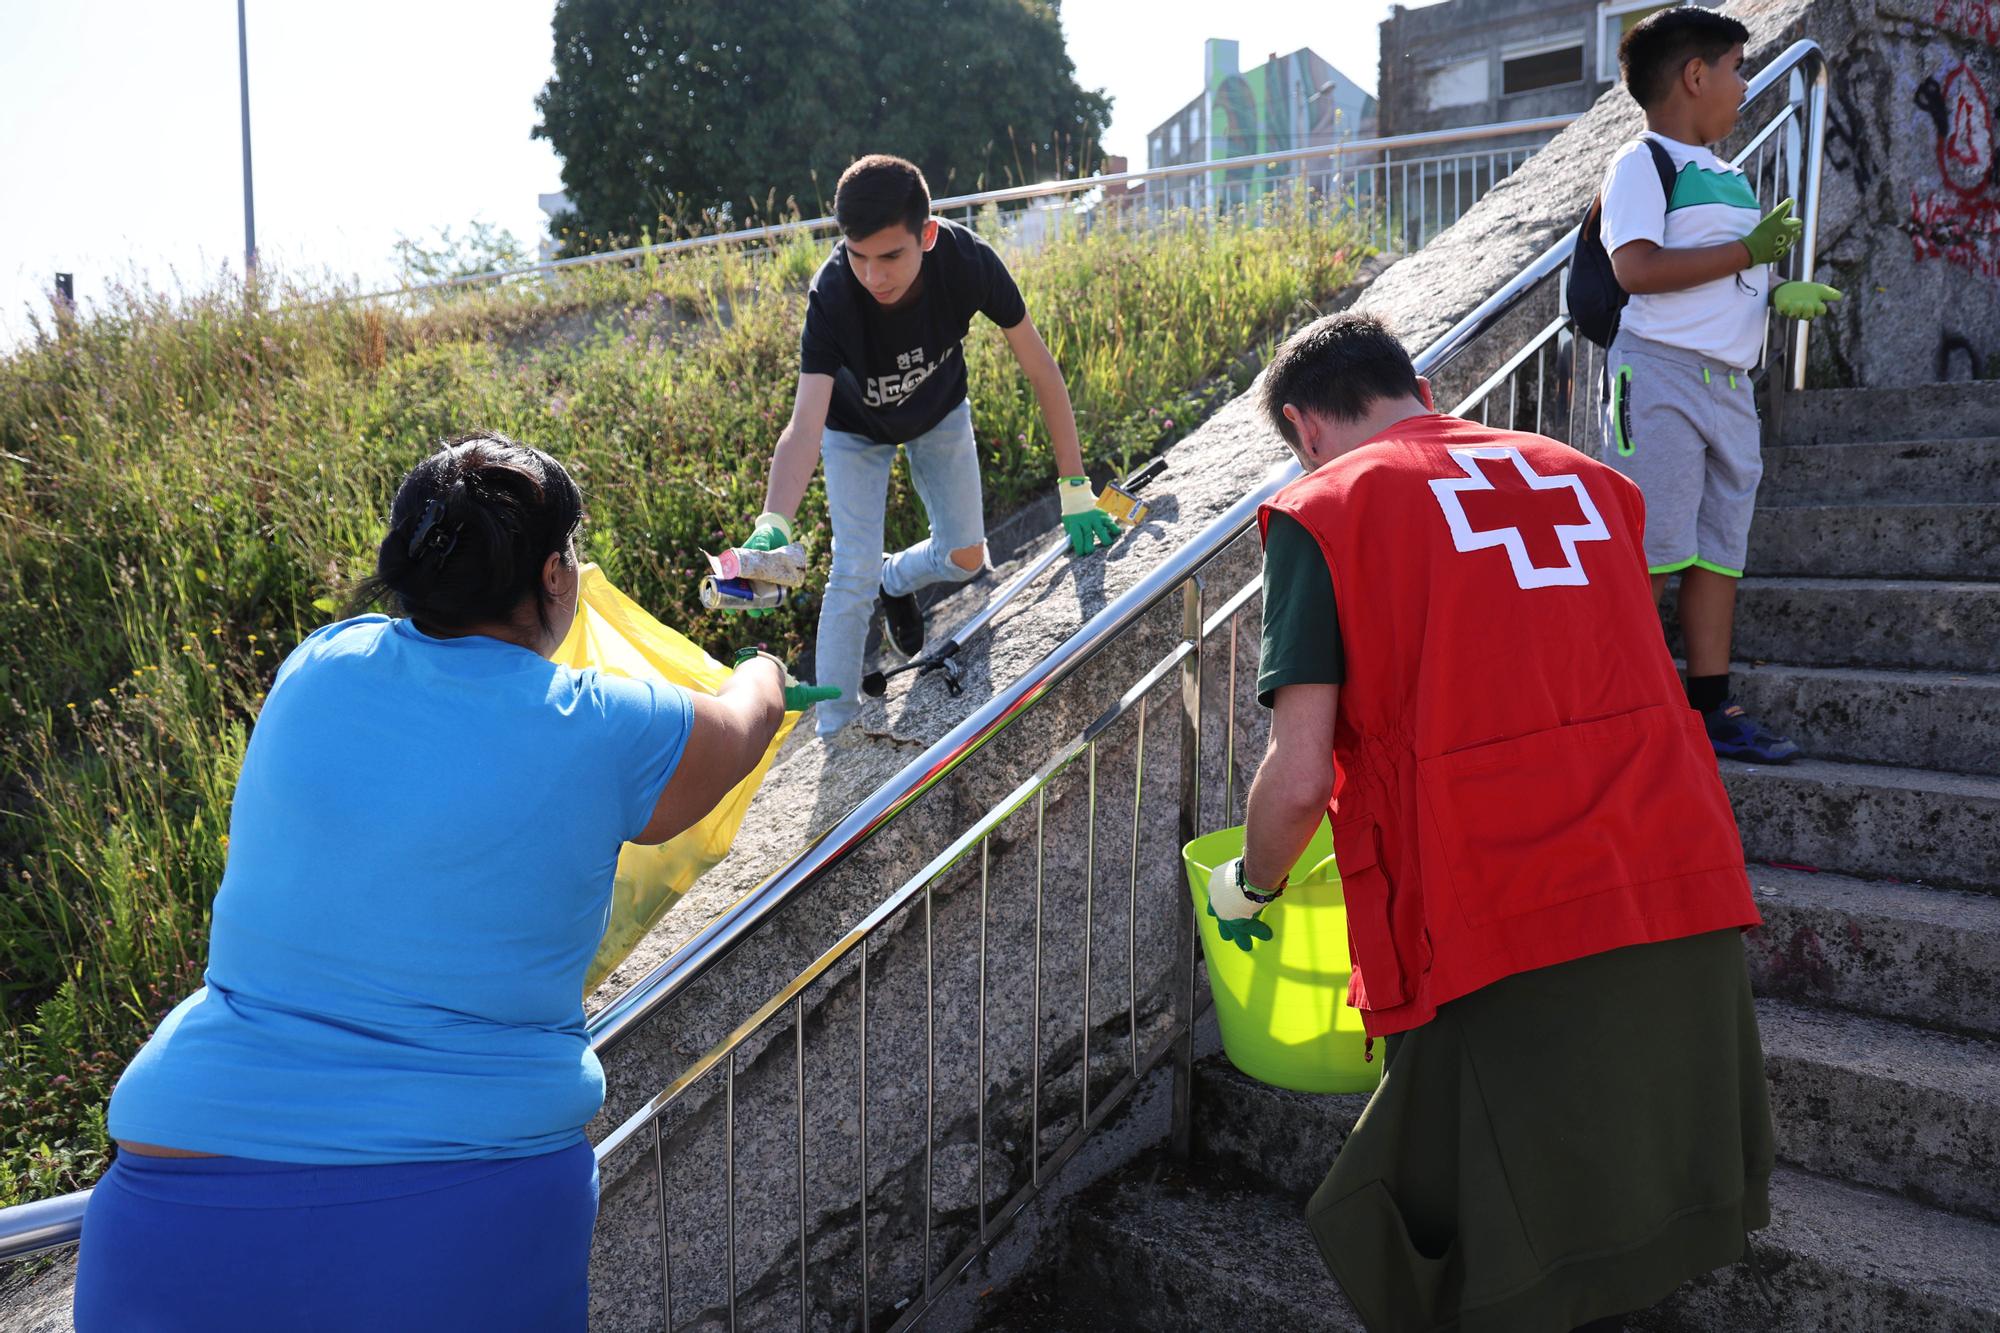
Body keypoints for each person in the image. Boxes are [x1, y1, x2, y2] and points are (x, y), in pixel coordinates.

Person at [74, 435, 823, 1331]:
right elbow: (740, 730)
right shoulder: (597, 726)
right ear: (555, 575)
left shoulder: (317, 667)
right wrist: (764, 669)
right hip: (454, 1214)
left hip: (171, 1204)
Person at [1212, 312, 1774, 1332]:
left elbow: (1295, 780)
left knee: (1468, 1240)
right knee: (1614, 1210)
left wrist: (1247, 882)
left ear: (1302, 427)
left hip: (1494, 911)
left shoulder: (1325, 508)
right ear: (1418, 384)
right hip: (1666, 869)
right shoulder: (1593, 484)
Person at [737, 153, 1121, 736]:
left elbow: (1041, 369)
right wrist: (773, 523)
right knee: (852, 572)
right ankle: (837, 731)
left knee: (968, 558)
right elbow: (804, 424)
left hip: (939, 410)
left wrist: (1074, 485)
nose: (874, 276)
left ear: (928, 234)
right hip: (853, 431)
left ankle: (896, 580)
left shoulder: (968, 263)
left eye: (891, 256)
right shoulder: (834, 294)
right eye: (859, 256)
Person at [1599, 6, 1842, 763]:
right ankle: (1623, 708)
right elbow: (1635, 269)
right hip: (1661, 373)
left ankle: (1712, 707)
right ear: (1695, 75)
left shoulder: (1729, 176)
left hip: (1729, 384)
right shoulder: (1642, 163)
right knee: (1654, 550)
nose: (1744, 85)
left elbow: (1719, 277)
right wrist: (1747, 253)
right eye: (1737, 68)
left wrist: (1773, 293)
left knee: (1716, 552)